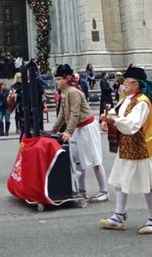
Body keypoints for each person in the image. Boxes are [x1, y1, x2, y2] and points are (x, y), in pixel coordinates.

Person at [100, 65, 152, 234]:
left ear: (136, 84)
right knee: (120, 180)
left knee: (147, 184)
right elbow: (115, 112)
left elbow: (133, 124)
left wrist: (113, 121)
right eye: (125, 82)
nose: (124, 85)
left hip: (140, 147)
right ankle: (119, 216)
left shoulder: (142, 102)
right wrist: (107, 120)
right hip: (126, 145)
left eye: (128, 82)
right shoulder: (126, 98)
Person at [52, 64, 108, 202]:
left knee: (95, 160)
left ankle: (104, 191)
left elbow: (75, 113)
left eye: (59, 79)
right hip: (77, 129)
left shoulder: (74, 92)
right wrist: (53, 130)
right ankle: (81, 190)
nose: (57, 82)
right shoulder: (64, 92)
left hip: (87, 127)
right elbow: (62, 114)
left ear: (66, 79)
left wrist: (68, 132)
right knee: (78, 161)